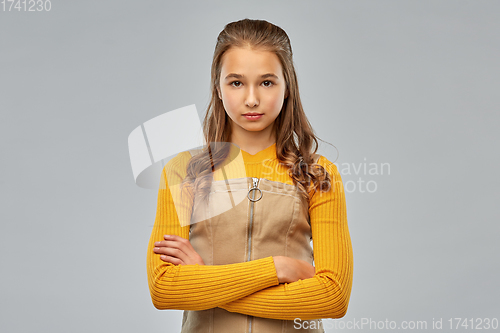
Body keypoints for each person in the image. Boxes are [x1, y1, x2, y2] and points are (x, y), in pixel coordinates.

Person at [147, 18, 353, 333]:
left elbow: (332, 297)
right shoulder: (183, 171)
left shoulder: (317, 174)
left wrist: (205, 282)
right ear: (218, 87)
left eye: (267, 82)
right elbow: (164, 288)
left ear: (287, 88)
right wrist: (278, 268)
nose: (252, 99)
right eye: (236, 82)